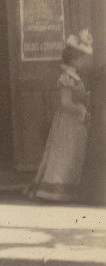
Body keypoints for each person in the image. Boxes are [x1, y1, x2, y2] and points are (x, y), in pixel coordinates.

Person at [26, 30, 93, 203]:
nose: (83, 62)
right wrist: (80, 110)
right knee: (63, 155)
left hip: (76, 124)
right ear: (73, 59)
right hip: (67, 123)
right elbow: (65, 102)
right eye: (81, 58)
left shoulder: (76, 77)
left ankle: (68, 191)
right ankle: (53, 192)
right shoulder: (66, 77)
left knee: (73, 156)